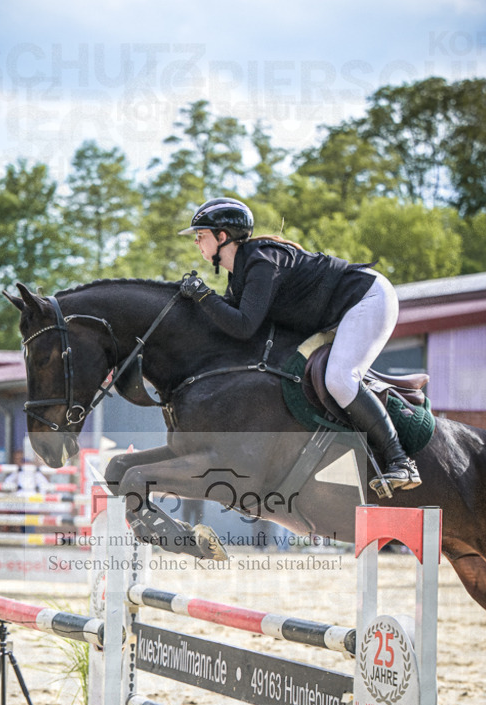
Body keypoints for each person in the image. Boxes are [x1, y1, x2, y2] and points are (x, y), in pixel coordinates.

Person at [178, 197, 420, 495]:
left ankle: (400, 460)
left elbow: (243, 326)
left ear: (222, 236)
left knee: (340, 380)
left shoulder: (261, 261)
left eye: (200, 236)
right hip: (342, 311)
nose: (196, 243)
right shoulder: (240, 274)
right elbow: (231, 324)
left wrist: (203, 296)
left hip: (368, 298)